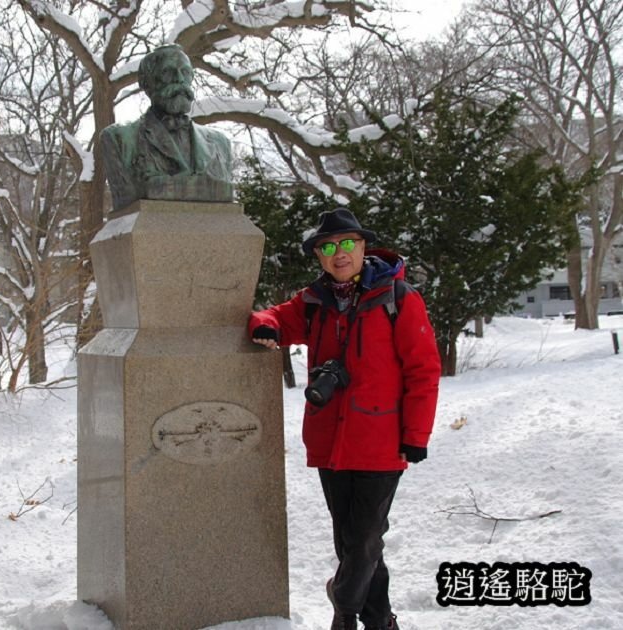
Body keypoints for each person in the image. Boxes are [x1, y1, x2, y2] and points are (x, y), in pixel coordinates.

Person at [248, 208, 440, 630]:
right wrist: (263, 325)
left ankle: (344, 612)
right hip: (329, 443)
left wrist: (416, 434)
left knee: (365, 540)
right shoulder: (315, 302)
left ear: (363, 246)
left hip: (382, 441)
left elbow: (423, 370)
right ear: (319, 255)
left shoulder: (397, 297)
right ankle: (381, 621)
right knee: (355, 544)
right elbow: (277, 316)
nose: (340, 253)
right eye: (329, 247)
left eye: (348, 244)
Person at [100, 44, 233, 212]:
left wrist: (164, 185)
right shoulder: (119, 138)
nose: (179, 79)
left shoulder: (220, 143)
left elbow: (226, 193)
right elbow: (129, 194)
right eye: (168, 72)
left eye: (185, 72)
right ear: (147, 84)